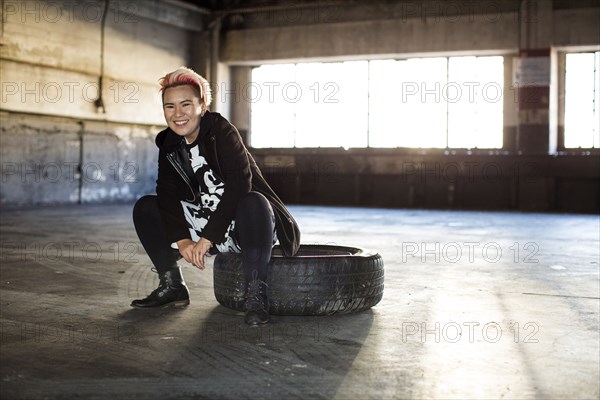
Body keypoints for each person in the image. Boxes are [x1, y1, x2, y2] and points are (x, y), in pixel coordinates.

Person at [131, 66, 301, 326]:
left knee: (253, 200)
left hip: (247, 224)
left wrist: (207, 238)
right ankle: (172, 285)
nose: (178, 114)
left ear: (202, 105)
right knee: (146, 207)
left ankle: (256, 296)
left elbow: (239, 186)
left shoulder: (221, 132)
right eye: (169, 106)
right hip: (205, 219)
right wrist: (183, 240)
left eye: (186, 104)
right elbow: (166, 194)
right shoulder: (168, 143)